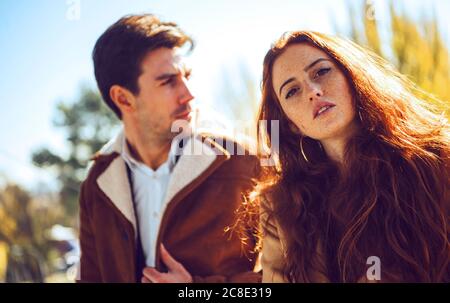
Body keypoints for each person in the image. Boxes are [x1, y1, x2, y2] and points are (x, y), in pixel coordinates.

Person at [77, 14, 260, 283]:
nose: (188, 93)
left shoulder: (243, 160)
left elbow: (286, 273)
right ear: (124, 98)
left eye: (186, 76)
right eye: (168, 81)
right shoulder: (97, 184)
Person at [254, 31, 449, 282]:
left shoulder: (436, 159)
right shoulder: (281, 205)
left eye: (321, 72)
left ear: (352, 76)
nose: (313, 91)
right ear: (291, 124)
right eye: (292, 91)